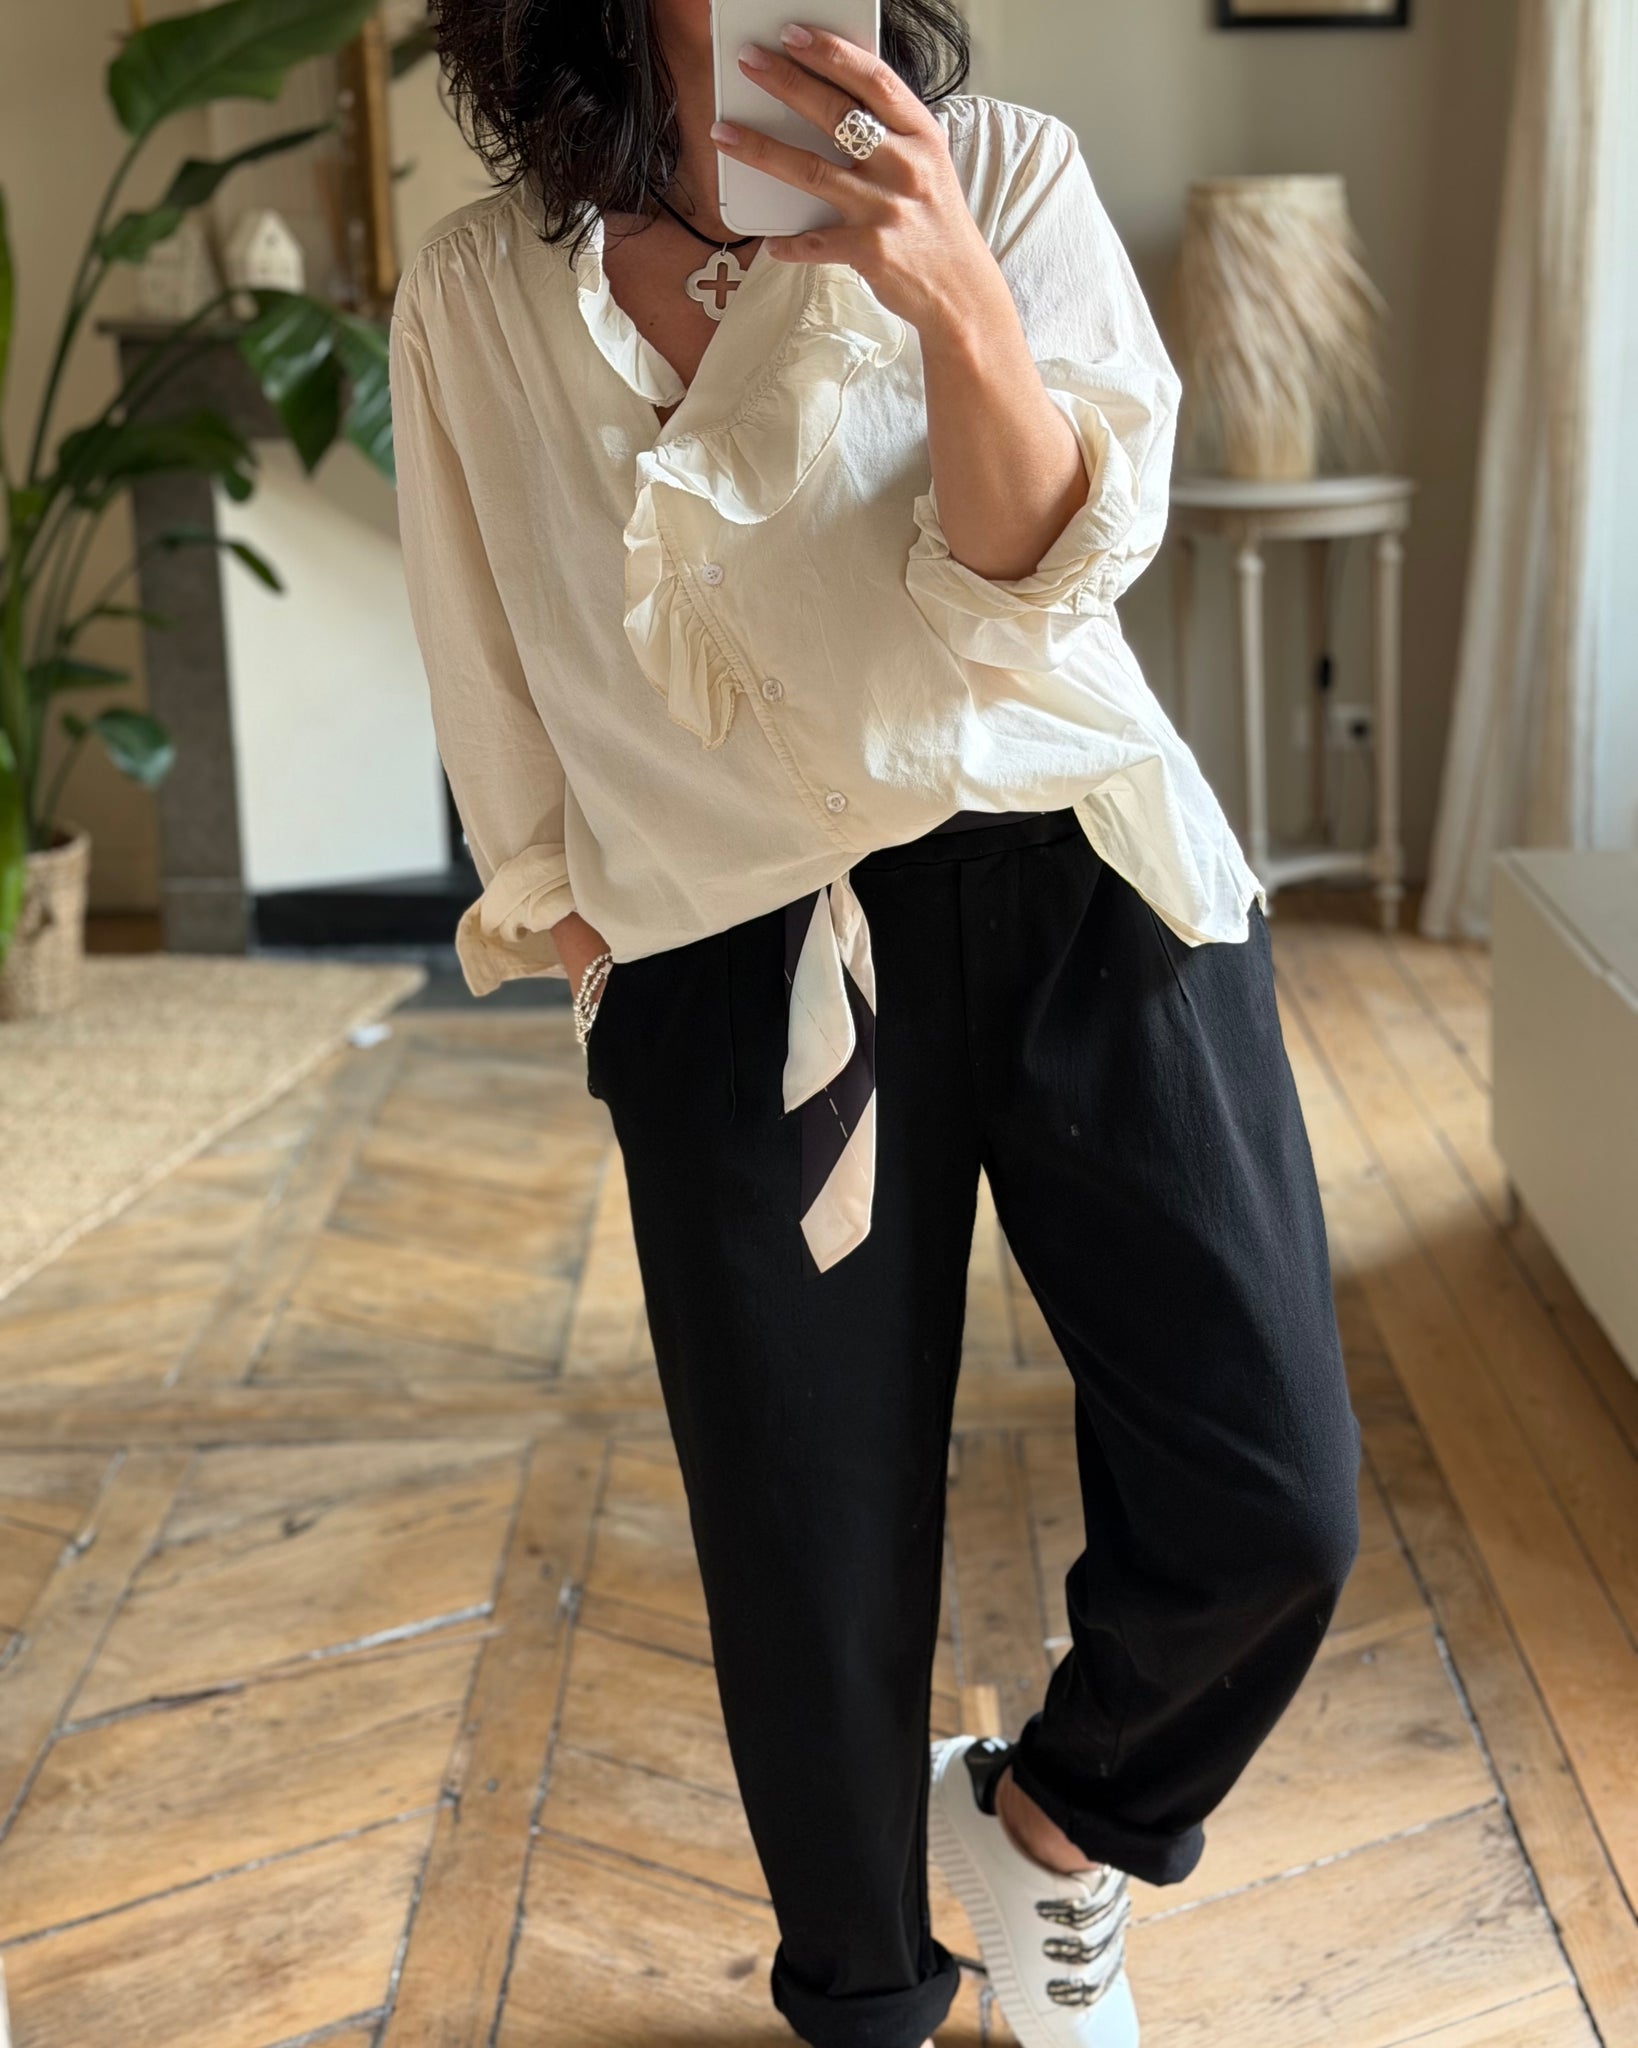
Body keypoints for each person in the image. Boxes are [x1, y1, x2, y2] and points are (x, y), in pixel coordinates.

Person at [388, 3, 1362, 2043]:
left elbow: (1039, 581)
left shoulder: (998, 173)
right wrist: (597, 946)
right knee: (805, 1556)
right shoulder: (482, 287)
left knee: (1270, 1493)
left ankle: (1059, 1825)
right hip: (729, 951)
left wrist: (950, 293)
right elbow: (484, 653)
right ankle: (861, 2000)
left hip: (1076, 868)